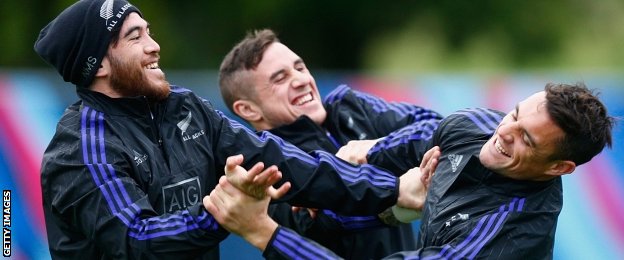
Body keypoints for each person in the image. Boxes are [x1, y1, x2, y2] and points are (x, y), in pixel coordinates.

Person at [34, 0, 431, 258]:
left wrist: (394, 189)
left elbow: (285, 162)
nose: (154, 46)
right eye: (135, 38)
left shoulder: (183, 107)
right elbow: (135, 239)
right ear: (98, 66)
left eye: (149, 32)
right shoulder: (83, 147)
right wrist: (218, 216)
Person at [204, 82, 615, 259]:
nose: (502, 133)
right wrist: (367, 154)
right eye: (513, 114)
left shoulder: (504, 237)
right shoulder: (477, 124)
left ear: (559, 167)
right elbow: (423, 134)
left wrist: (260, 230)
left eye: (526, 139)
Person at [218, 28, 443, 259]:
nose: (301, 80)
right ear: (248, 109)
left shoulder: (349, 106)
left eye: (300, 67)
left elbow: (440, 128)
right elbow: (318, 223)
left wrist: (374, 149)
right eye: (280, 78)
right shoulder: (263, 165)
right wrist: (399, 190)